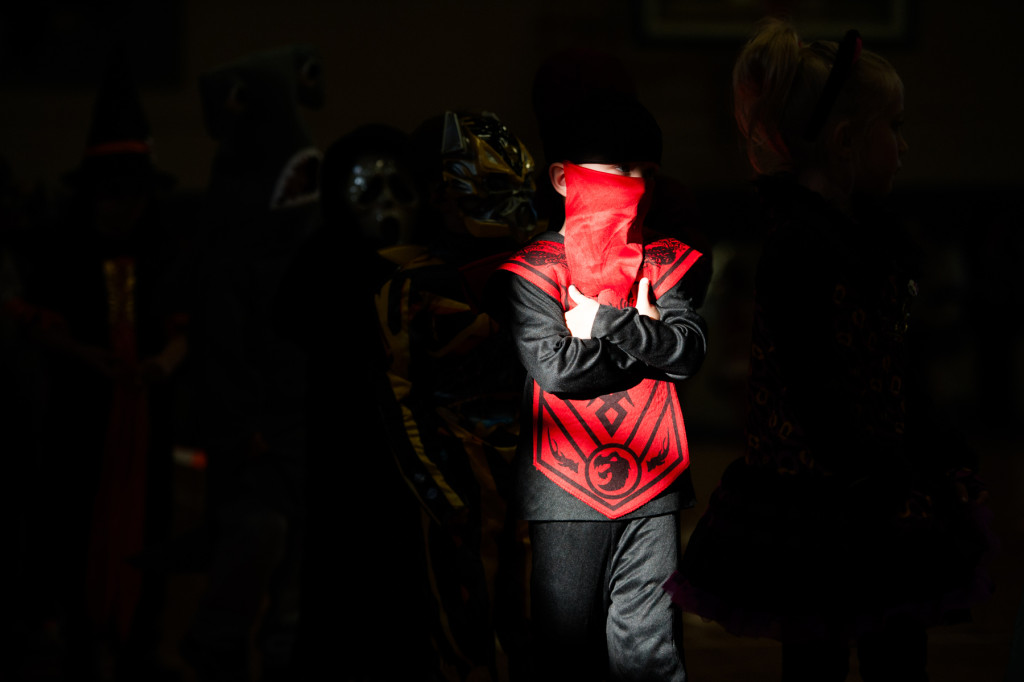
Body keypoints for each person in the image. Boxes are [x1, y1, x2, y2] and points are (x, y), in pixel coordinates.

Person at [672, 18, 992, 681]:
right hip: (824, 502)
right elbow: (813, 383)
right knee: (818, 651)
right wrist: (871, 467)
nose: (904, 147)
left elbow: (898, 369)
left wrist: (925, 449)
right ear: (846, 141)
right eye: (894, 127)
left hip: (879, 486)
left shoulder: (870, 242)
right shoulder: (800, 250)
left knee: (896, 645)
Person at [492, 94, 709, 681]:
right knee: (566, 653)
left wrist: (606, 325)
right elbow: (557, 368)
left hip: (656, 483)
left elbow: (688, 353)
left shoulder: (669, 261)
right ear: (562, 180)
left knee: (652, 650)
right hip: (562, 489)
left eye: (643, 174)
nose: (631, 187)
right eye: (612, 175)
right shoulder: (529, 271)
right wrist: (645, 339)